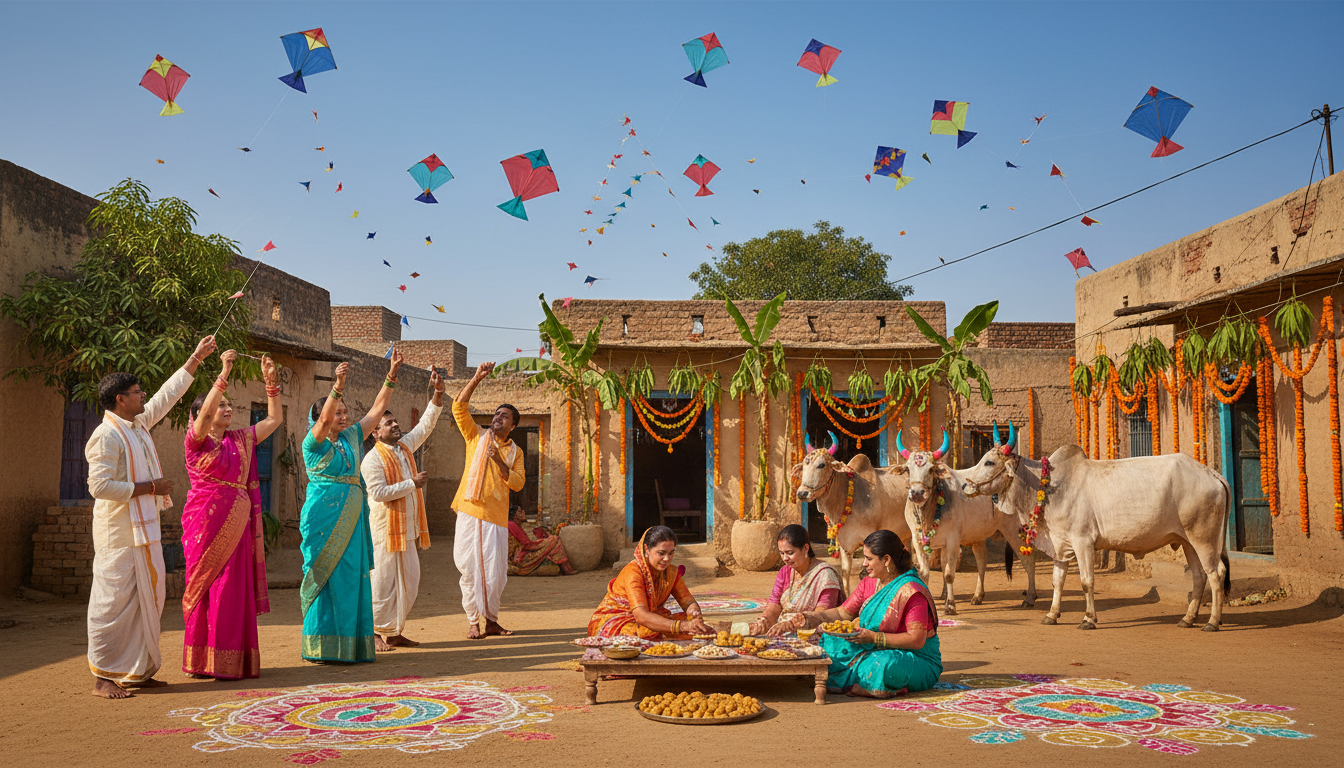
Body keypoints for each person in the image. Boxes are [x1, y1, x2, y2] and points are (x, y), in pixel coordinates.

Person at [85, 335, 216, 699]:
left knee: (150, 601)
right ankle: (103, 677)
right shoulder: (105, 436)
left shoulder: (139, 423)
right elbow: (99, 486)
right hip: (119, 535)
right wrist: (150, 487)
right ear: (120, 399)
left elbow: (167, 395)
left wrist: (195, 358)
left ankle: (137, 672)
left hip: (147, 531)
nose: (144, 396)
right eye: (138, 392)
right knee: (111, 604)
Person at [180, 350, 283, 680]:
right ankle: (202, 661)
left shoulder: (240, 440)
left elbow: (274, 421)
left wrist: (272, 385)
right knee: (208, 589)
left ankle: (231, 661)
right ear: (200, 415)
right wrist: (223, 372)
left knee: (233, 589)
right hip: (204, 525)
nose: (227, 410)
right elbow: (206, 410)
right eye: (221, 405)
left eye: (230, 406)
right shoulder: (196, 443)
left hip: (238, 525)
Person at [299, 351, 402, 663]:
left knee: (352, 578)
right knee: (325, 577)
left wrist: (392, 375)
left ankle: (351, 646)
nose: (342, 417)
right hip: (323, 522)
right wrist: (337, 387)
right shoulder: (312, 443)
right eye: (336, 412)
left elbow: (377, 409)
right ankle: (321, 646)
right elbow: (326, 418)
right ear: (319, 419)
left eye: (345, 412)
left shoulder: (352, 437)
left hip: (354, 522)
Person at [361, 367, 446, 650]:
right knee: (383, 584)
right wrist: (412, 483)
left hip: (407, 530)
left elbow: (424, 426)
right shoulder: (372, 460)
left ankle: (395, 631)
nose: (396, 426)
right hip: (385, 531)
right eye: (389, 424)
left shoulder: (405, 448)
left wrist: (437, 394)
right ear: (375, 432)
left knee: (410, 580)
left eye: (396, 422)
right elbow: (379, 493)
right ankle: (373, 633)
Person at [800, 529, 942, 698]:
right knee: (830, 641)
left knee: (886, 664)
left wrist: (875, 638)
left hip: (915, 659)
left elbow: (917, 640)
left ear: (887, 559)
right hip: (871, 648)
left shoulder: (911, 591)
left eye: (869, 558)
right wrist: (809, 618)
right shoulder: (870, 582)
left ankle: (860, 682)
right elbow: (843, 612)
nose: (864, 564)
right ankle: (858, 681)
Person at [450, 361, 526, 639]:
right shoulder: (476, 436)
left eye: (504, 416)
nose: (498, 418)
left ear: (513, 425)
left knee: (496, 574)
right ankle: (473, 621)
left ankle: (492, 620)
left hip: (495, 516)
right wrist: (477, 377)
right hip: (469, 511)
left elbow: (518, 482)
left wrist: (498, 461)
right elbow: (458, 407)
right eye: (496, 414)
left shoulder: (514, 452)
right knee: (468, 568)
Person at [588, 526, 715, 639]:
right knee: (647, 633)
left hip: (648, 618)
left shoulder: (671, 572)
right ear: (646, 549)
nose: (667, 559)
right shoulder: (633, 572)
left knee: (692, 624)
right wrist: (682, 626)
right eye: (661, 553)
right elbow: (641, 615)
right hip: (616, 622)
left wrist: (695, 616)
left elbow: (688, 602)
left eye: (671, 553)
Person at [748, 524, 843, 637]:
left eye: (790, 553)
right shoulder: (785, 572)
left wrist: (791, 624)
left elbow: (822, 615)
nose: (785, 558)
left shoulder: (825, 575)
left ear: (805, 549)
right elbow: (774, 604)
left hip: (814, 634)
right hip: (784, 632)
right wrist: (764, 620)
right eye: (782, 553)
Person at [507, 506, 576, 576]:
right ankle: (566, 568)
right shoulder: (511, 524)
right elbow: (527, 544)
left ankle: (563, 567)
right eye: (520, 511)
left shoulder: (514, 525)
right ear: (515, 516)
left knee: (552, 540)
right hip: (521, 557)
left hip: (522, 553)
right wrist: (543, 542)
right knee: (554, 539)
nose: (523, 512)